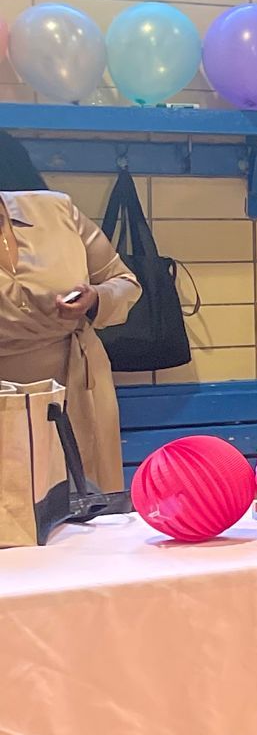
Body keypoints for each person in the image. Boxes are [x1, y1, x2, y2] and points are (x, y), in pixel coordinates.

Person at [0, 141, 141, 497]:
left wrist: (95, 299)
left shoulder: (56, 211)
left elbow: (124, 283)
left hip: (77, 388)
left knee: (86, 516)